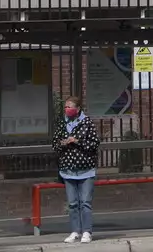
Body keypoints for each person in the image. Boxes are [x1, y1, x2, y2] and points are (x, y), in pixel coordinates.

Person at [53, 96, 101, 242]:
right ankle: (75, 231)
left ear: (78, 108)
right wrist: (63, 142)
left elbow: (94, 144)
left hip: (86, 169)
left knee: (85, 202)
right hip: (68, 169)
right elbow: (55, 144)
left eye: (70, 107)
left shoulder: (87, 123)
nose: (67, 109)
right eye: (66, 107)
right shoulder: (62, 123)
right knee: (72, 204)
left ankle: (87, 231)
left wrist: (77, 141)